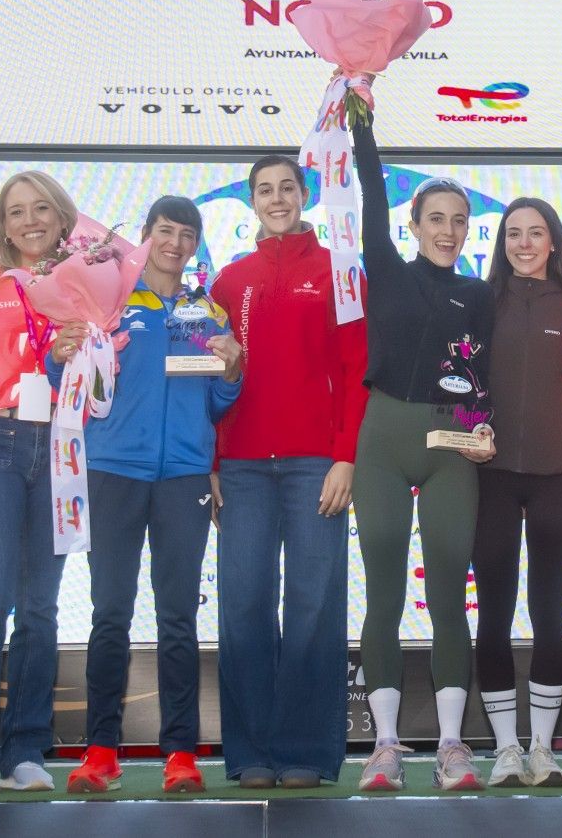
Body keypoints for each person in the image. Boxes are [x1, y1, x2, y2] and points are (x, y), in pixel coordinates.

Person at [55, 197, 243, 795]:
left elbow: (216, 404)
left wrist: (234, 371)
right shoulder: (108, 301)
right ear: (145, 235)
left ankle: (181, 753)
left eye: (187, 235)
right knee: (109, 613)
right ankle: (101, 750)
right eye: (166, 231)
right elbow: (74, 383)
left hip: (184, 477)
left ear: (195, 245)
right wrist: (62, 357)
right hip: (113, 471)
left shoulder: (206, 311)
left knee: (178, 618)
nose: (176, 243)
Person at [209, 154, 369, 788]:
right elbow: (214, 382)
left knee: (313, 607)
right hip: (242, 467)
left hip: (314, 467)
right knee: (243, 606)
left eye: (286, 188)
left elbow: (358, 372)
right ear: (251, 201)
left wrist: (345, 456)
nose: (276, 198)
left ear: (305, 195)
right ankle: (249, 753)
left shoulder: (341, 272)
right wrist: (214, 461)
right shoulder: (228, 281)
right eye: (263, 190)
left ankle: (305, 750)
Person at [350, 116, 495, 793]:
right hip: (382, 439)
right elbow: (370, 192)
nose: (446, 229)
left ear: (468, 229)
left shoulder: (479, 293)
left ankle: (450, 746)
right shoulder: (383, 266)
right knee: (381, 595)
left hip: (451, 448)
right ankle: (382, 747)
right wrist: (361, 122)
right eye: (434, 218)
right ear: (413, 224)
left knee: (445, 597)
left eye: (458, 220)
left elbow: (481, 376)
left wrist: (483, 427)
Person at [0, 171, 79, 794]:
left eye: (41, 209)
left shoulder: (85, 287)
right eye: (16, 211)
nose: (29, 220)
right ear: (2, 224)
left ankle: (26, 748)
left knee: (40, 609)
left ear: (61, 217)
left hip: (62, 448)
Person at [474, 198, 562, 789]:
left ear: (552, 240)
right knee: (492, 616)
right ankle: (505, 750)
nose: (523, 243)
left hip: (560, 477)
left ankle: (542, 749)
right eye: (513, 234)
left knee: (549, 614)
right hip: (490, 477)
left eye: (534, 233)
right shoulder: (480, 301)